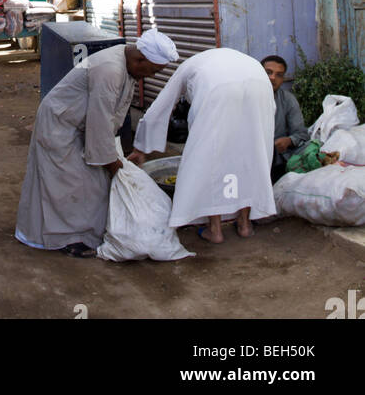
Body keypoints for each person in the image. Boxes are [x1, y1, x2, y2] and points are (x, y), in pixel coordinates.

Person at [15, 28, 178, 256]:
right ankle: (64, 239)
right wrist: (112, 163)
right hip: (61, 124)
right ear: (141, 59)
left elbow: (111, 114)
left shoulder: (126, 63)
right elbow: (100, 121)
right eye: (153, 70)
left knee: (88, 181)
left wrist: (112, 157)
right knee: (65, 181)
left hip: (78, 124)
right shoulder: (110, 69)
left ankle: (78, 232)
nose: (150, 76)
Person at [129, 47, 276, 243]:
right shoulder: (239, 60)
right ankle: (245, 225)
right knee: (249, 156)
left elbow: (161, 106)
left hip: (217, 91)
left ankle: (214, 230)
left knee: (211, 158)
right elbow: (270, 110)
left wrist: (140, 147)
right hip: (259, 86)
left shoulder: (188, 67)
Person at [262, 55, 310, 182]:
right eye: (268, 72)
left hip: (277, 162)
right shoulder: (246, 98)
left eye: (279, 75)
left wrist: (289, 140)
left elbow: (302, 134)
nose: (272, 78)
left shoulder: (287, 99)